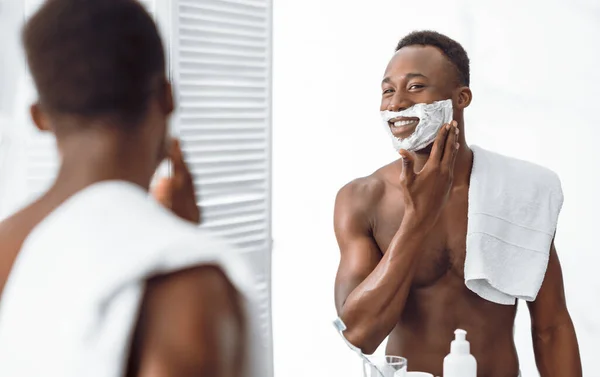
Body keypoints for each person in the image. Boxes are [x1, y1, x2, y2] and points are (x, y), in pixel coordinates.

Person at [0, 1, 264, 376]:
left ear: (39, 117)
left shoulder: (6, 249)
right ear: (167, 98)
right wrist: (175, 238)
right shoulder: (186, 281)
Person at [333, 30, 582, 377]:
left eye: (415, 87)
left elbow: (551, 327)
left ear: (460, 98)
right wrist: (418, 219)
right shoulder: (363, 198)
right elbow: (359, 336)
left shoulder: (518, 191)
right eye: (388, 90)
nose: (396, 103)